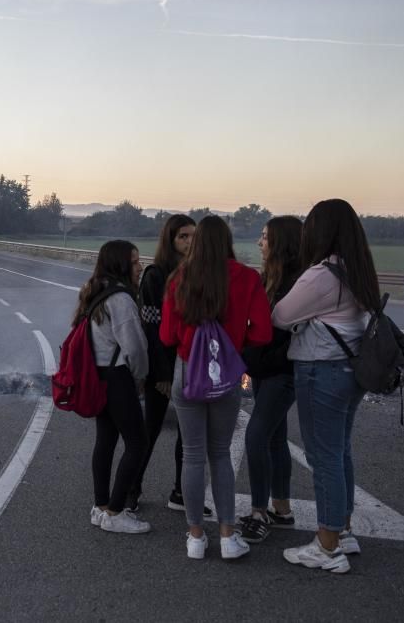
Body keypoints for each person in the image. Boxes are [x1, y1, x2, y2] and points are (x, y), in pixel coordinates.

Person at [272, 198, 380, 574]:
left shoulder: (322, 275)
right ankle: (343, 529)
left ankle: (327, 545)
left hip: (322, 371)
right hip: (351, 372)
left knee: (324, 458)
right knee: (339, 452)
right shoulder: (357, 269)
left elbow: (281, 316)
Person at [160, 216, 272, 560]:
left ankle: (195, 537)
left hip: (186, 373)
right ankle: (227, 535)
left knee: (192, 455)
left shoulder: (178, 278)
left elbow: (166, 336)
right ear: (227, 241)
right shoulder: (247, 277)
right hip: (227, 373)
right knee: (220, 454)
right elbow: (263, 334)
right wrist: (234, 342)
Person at [130, 214, 211, 518]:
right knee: (148, 430)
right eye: (183, 237)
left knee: (189, 436)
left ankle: (180, 491)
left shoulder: (198, 274)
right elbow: (151, 330)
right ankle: (131, 490)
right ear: (170, 240)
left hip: (191, 364)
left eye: (193, 236)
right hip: (162, 366)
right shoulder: (155, 276)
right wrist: (161, 374)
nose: (189, 242)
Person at [238, 216, 303, 544]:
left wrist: (256, 361)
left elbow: (291, 338)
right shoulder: (269, 279)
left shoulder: (297, 283)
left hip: (281, 374)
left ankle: (259, 513)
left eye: (265, 237)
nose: (259, 243)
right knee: (276, 440)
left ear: (282, 242)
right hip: (262, 372)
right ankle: (282, 509)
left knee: (255, 437)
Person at [81, 240, 152, 534]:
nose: (140, 267)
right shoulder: (121, 299)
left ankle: (100, 506)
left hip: (98, 374)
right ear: (122, 264)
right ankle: (115, 511)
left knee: (106, 440)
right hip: (118, 376)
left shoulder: (95, 291)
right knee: (138, 443)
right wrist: (141, 378)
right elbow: (134, 348)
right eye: (135, 262)